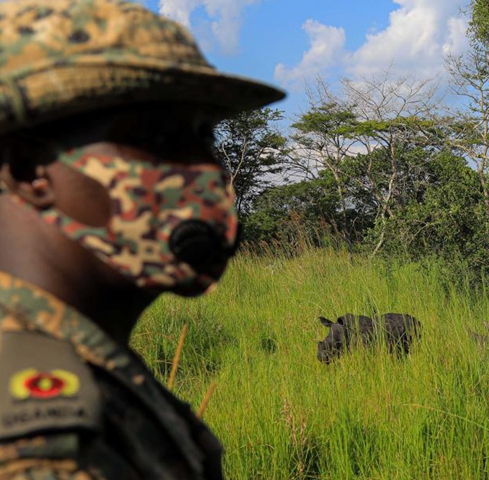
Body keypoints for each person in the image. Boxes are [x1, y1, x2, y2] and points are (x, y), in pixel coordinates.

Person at [0, 0, 284, 478]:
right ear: (30, 172)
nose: (208, 169)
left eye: (204, 136)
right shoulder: (40, 447)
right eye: (158, 138)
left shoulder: (92, 364)